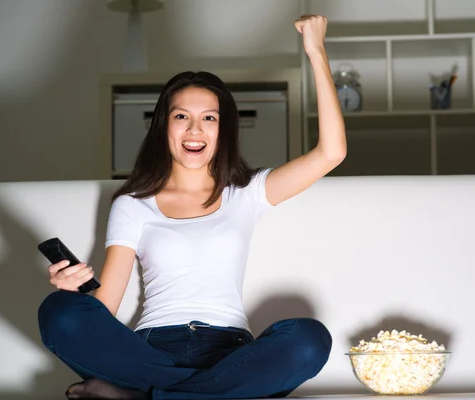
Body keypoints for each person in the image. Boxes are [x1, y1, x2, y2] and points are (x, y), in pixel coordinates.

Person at [37, 14, 346, 400]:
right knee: (58, 313)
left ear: (223, 129)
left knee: (308, 338)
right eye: (182, 116)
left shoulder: (247, 191)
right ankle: (196, 394)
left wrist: (316, 51)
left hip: (231, 354)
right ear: (164, 126)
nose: (195, 130)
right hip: (148, 353)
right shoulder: (133, 205)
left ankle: (140, 397)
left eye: (209, 118)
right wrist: (73, 293)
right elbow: (105, 308)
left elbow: (332, 152)